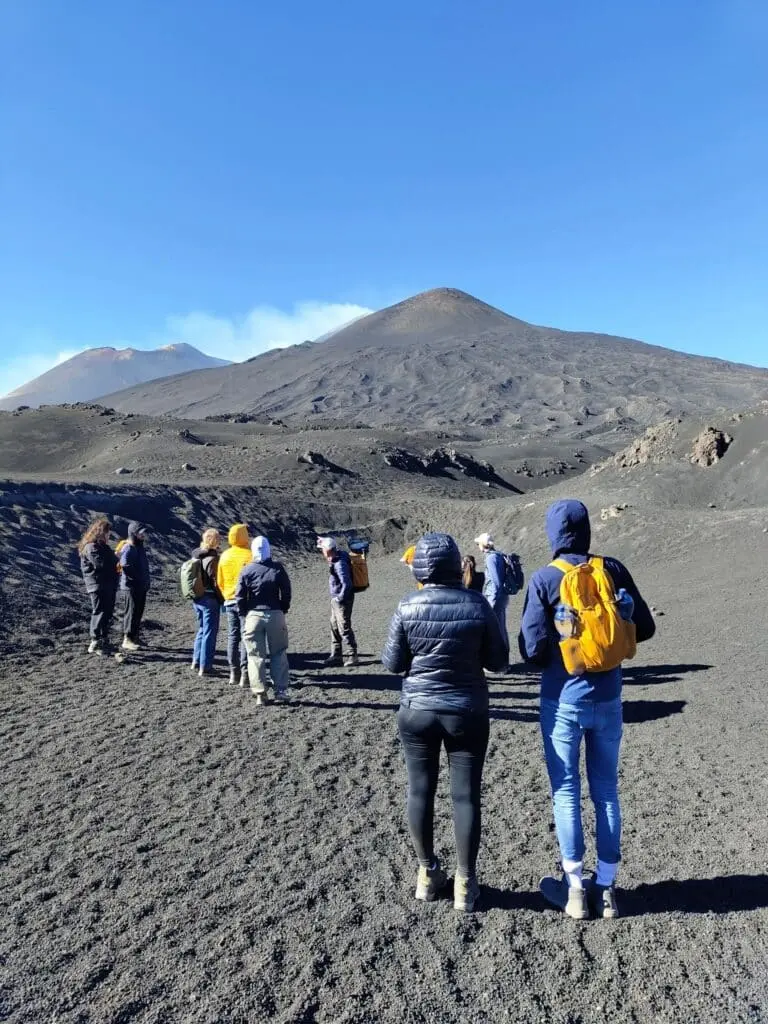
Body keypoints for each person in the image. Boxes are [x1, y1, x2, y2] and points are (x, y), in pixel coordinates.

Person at [519, 499, 655, 920]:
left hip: (562, 702)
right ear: (587, 532)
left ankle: (575, 891)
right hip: (609, 700)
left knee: (566, 792)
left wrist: (566, 637)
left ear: (552, 535)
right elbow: (645, 629)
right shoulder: (612, 570)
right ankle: (608, 889)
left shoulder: (544, 579)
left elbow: (532, 651)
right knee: (606, 792)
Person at [381, 532, 508, 912]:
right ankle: (465, 884)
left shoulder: (407, 606)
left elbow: (392, 663)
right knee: (465, 796)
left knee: (420, 792)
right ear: (456, 565)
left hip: (417, 710)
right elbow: (499, 661)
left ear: (420, 566)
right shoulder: (477, 605)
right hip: (467, 711)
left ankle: (427, 873)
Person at [236, 536, 292, 705]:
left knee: (255, 655)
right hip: (275, 613)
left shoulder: (246, 570)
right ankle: (281, 690)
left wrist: (245, 612)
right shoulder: (278, 568)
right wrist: (283, 608)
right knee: (279, 652)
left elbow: (239, 596)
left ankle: (260, 693)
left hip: (253, 615)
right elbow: (287, 592)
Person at [216, 523, 252, 685]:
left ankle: (233, 672)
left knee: (232, 636)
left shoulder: (224, 555)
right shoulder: (249, 555)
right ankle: (245, 674)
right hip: (246, 602)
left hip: (230, 600)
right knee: (246, 637)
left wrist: (227, 595)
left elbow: (220, 581)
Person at [79, 518, 119, 655]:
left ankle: (103, 640)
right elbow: (101, 564)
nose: (109, 536)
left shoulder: (103, 547)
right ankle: (95, 640)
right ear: (101, 532)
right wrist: (116, 559)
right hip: (98, 585)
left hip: (108, 584)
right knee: (100, 611)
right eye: (107, 533)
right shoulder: (91, 547)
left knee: (107, 612)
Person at [318, 537, 359, 667]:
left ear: (328, 551)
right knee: (334, 626)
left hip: (342, 601)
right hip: (337, 600)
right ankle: (336, 655)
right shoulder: (338, 556)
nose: (322, 552)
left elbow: (346, 583)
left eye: (323, 549)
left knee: (343, 628)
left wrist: (340, 599)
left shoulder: (340, 563)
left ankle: (353, 656)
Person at [475, 532, 512, 670]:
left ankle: (501, 664)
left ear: (483, 545)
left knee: (496, 631)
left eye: (478, 543)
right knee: (501, 629)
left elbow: (496, 582)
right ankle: (503, 663)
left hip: (495, 598)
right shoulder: (498, 555)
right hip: (501, 597)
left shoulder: (491, 559)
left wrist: (492, 601)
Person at [190, 528, 223, 677]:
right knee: (210, 632)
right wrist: (221, 598)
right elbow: (215, 582)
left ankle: (196, 662)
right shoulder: (212, 559)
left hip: (197, 598)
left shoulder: (196, 555)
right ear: (215, 541)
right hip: (210, 599)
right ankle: (206, 666)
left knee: (202, 630)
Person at [119, 522, 151, 651]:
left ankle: (134, 637)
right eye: (140, 533)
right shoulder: (129, 547)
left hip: (139, 586)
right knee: (131, 613)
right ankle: (127, 639)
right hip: (131, 587)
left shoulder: (138, 547)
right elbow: (125, 564)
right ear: (133, 534)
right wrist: (136, 578)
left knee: (138, 612)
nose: (143, 535)